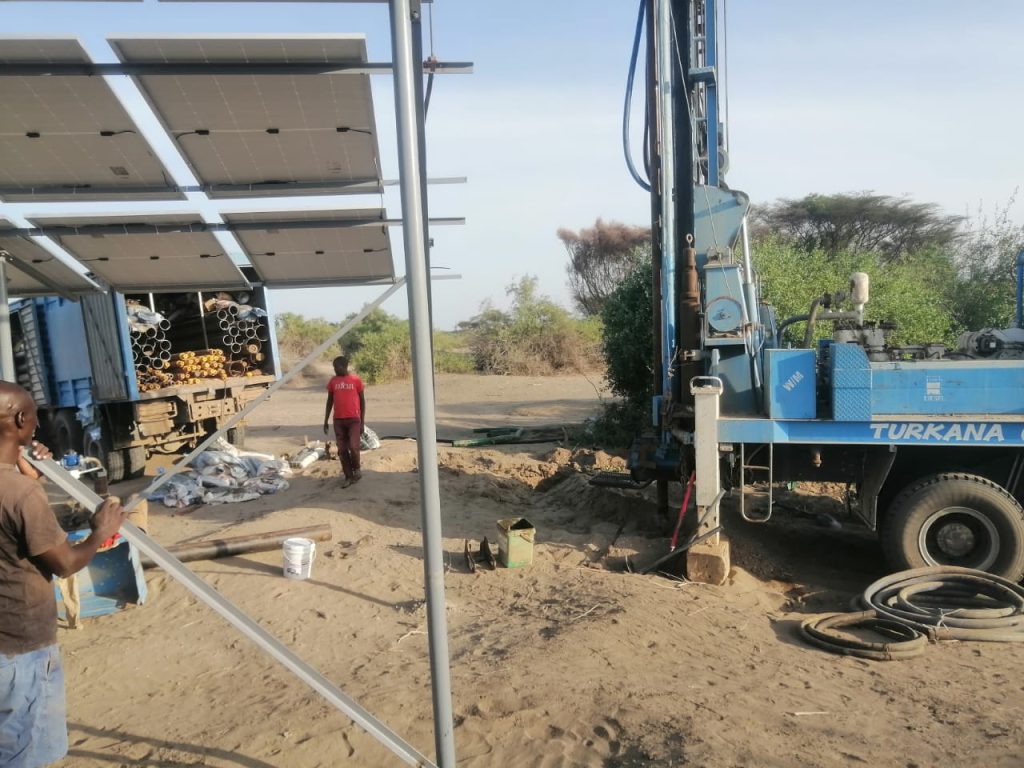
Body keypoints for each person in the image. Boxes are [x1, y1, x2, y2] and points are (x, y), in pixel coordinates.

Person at [0, 382, 128, 767]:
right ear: (20, 420)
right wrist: (100, 532)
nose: (38, 424)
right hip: (21, 649)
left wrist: (25, 465)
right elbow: (65, 563)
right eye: (34, 416)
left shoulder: (18, 488)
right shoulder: (20, 494)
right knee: (22, 753)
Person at [323, 356, 366, 487]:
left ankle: (357, 469)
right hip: (338, 421)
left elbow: (362, 401)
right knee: (342, 450)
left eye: (336, 367)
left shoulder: (356, 380)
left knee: (353, 446)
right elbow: (329, 401)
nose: (335, 370)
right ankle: (348, 476)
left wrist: (362, 422)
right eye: (334, 368)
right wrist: (325, 420)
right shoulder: (333, 381)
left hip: (354, 420)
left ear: (344, 367)